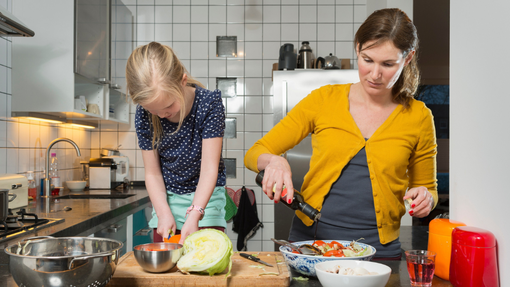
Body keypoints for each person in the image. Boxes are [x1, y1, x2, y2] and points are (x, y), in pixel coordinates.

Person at [244, 8, 437, 259]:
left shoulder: (419, 117)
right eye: (367, 59)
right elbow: (254, 153)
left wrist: (426, 199)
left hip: (380, 252)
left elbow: (428, 189)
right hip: (311, 245)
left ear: (408, 58)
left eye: (388, 64)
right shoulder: (324, 99)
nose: (375, 74)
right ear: (358, 48)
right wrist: (274, 160)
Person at [126, 42, 227, 244]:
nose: (162, 115)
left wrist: (195, 214)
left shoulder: (209, 104)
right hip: (167, 200)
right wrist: (163, 212)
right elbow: (153, 173)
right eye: (154, 110)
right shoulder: (144, 114)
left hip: (206, 200)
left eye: (169, 106)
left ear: (183, 81)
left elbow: (209, 170)